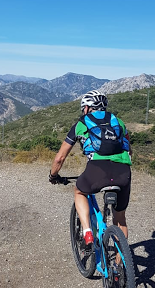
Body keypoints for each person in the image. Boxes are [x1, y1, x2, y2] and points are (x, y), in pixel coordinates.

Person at [49, 90, 132, 246]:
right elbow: (129, 149)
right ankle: (119, 266)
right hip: (123, 172)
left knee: (79, 191)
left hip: (97, 170)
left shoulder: (81, 124)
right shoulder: (119, 122)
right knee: (120, 219)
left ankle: (87, 232)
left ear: (86, 108)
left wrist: (53, 175)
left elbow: (60, 158)